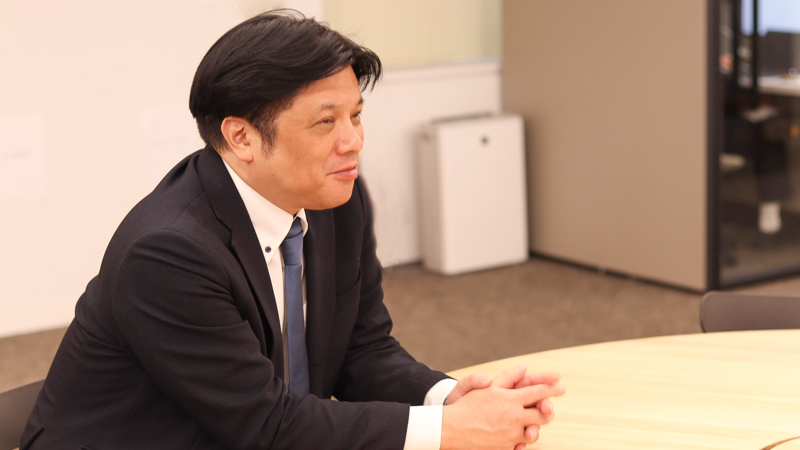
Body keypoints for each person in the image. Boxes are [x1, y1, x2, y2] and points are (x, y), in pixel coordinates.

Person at [21, 10, 564, 450]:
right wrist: (449, 431)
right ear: (242, 137)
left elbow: (361, 350)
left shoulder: (335, 198)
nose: (353, 141)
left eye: (356, 115)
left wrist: (448, 398)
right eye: (326, 122)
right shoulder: (168, 253)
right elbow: (267, 426)